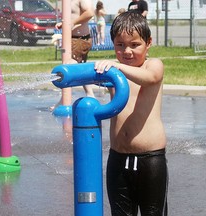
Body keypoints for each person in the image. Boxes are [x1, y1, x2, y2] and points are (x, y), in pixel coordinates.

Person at [94, 11, 168, 215]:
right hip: (117, 158)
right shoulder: (114, 70)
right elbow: (88, 74)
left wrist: (117, 68)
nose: (127, 51)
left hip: (150, 160)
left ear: (148, 43)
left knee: (152, 212)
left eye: (134, 45)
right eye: (120, 45)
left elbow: (150, 77)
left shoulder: (153, 65)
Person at [50, 0, 95, 111]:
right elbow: (71, 15)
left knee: (68, 67)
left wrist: (72, 23)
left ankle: (64, 100)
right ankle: (90, 94)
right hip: (74, 38)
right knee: (81, 68)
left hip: (80, 39)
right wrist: (63, 23)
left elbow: (89, 13)